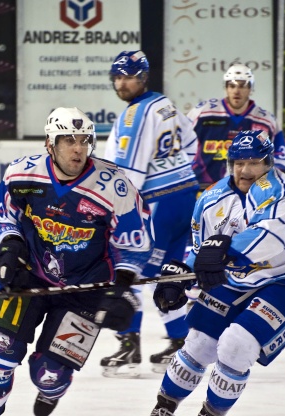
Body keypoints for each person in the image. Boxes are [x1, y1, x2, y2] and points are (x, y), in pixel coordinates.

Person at [0, 107, 154, 416]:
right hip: (31, 276)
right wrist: (9, 245)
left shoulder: (114, 186)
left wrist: (119, 288)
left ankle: (51, 388)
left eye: (84, 140)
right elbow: (1, 213)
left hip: (85, 288)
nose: (78, 148)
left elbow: (136, 243)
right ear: (49, 143)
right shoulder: (22, 173)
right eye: (68, 140)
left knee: (49, 376)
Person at [139, 130, 285, 416]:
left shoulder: (283, 192)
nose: (244, 171)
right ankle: (164, 406)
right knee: (198, 342)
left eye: (254, 163)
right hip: (239, 277)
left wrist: (224, 250)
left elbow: (271, 237)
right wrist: (182, 276)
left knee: (237, 345)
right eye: (238, 162)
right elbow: (203, 251)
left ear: (268, 164)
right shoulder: (210, 200)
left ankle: (210, 414)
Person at [100, 50, 200, 377]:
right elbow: (192, 144)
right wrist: (175, 171)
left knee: (131, 268)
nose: (121, 82)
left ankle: (129, 346)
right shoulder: (165, 104)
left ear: (143, 77)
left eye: (128, 76)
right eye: (117, 76)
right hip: (183, 197)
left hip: (156, 203)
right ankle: (180, 341)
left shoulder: (134, 115)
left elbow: (129, 173)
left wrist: (115, 210)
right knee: (167, 272)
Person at [187, 63, 285, 189]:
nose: (236, 91)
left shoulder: (266, 121)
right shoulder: (202, 113)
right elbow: (181, 145)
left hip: (247, 194)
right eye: (232, 86)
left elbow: (281, 160)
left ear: (251, 89)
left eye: (242, 86)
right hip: (202, 190)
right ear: (226, 87)